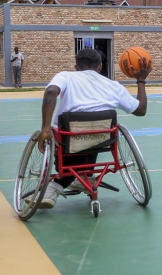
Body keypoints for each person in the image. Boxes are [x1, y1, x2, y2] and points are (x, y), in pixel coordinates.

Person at [36, 48, 150, 209]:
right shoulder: (113, 85)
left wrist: (45, 129)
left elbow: (51, 91)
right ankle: (86, 177)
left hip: (70, 142)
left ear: (76, 67)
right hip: (103, 140)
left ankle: (56, 186)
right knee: (93, 129)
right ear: (100, 67)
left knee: (72, 135)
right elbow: (140, 110)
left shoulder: (66, 76)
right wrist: (141, 80)